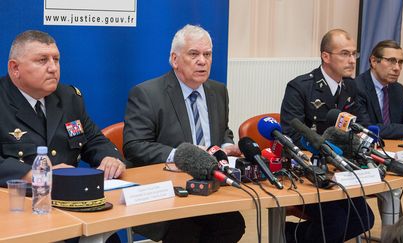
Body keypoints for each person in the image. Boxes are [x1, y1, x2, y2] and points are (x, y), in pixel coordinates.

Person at [123, 24, 245, 243]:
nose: (202, 61)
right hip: (170, 191)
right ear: (175, 59)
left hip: (212, 187)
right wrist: (180, 155)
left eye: (207, 54)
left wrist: (227, 147)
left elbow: (223, 132)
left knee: (233, 225)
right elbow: (135, 145)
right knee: (187, 232)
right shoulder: (147, 94)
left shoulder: (217, 91)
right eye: (194, 54)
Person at [281, 29, 374, 243]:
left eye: (354, 54)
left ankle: (291, 236)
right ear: (326, 56)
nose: (351, 60)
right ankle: (288, 235)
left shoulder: (351, 86)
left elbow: (362, 124)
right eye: (344, 54)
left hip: (343, 169)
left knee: (364, 219)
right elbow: (290, 133)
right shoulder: (300, 87)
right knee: (336, 222)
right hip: (310, 172)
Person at [0, 30, 126, 186]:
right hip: (18, 199)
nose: (53, 68)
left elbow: (93, 140)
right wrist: (34, 175)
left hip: (69, 195)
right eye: (42, 60)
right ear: (15, 68)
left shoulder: (68, 97)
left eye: (56, 59)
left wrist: (109, 158)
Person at [355, 40, 403, 139]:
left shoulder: (397, 89)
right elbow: (366, 128)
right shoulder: (357, 87)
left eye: (400, 62)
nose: (397, 68)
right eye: (391, 61)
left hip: (394, 149)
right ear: (374, 61)